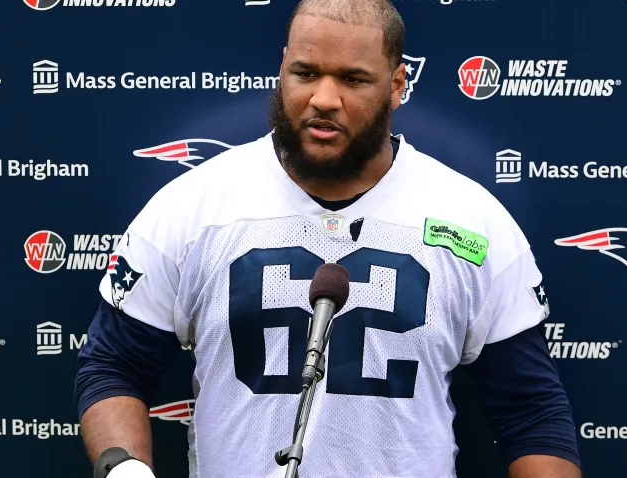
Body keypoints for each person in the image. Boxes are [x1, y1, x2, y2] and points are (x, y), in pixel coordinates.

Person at [73, 0, 581, 476]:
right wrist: (126, 470)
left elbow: (530, 411)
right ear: (282, 69)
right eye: (306, 73)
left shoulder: (473, 220)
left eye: (353, 79)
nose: (323, 99)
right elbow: (115, 364)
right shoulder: (193, 207)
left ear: (398, 84)